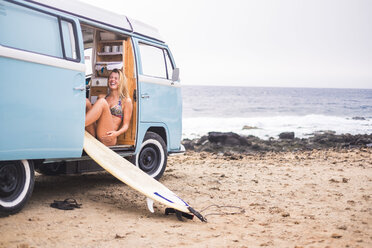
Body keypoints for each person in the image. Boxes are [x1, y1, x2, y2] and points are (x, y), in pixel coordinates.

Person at [85, 69, 132, 146]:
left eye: (116, 78)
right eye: (110, 77)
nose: (112, 80)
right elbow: (94, 115)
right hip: (94, 133)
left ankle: (77, 126)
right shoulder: (102, 96)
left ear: (121, 82)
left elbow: (126, 125)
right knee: (86, 101)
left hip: (108, 137)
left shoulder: (126, 101)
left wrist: (116, 134)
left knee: (102, 102)